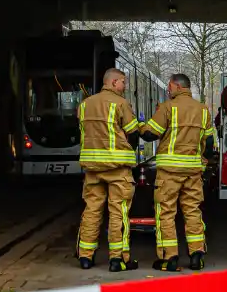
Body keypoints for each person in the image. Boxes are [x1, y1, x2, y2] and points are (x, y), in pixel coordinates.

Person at [140, 73, 218, 271]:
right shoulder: (203, 110)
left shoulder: (167, 108)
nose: (168, 90)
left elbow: (150, 134)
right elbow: (209, 144)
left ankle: (169, 257)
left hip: (169, 173)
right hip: (192, 172)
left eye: (169, 86)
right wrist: (202, 162)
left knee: (166, 213)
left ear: (176, 86)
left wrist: (139, 126)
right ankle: (197, 255)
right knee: (192, 212)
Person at [76, 68, 142, 272]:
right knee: (118, 213)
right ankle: (118, 259)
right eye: (123, 82)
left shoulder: (85, 104)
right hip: (117, 168)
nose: (125, 86)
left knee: (91, 210)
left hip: (92, 168)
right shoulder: (121, 103)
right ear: (113, 82)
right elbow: (133, 133)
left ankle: (85, 257)